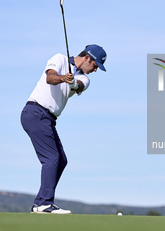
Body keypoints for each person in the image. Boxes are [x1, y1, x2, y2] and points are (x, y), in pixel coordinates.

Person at [21, 44, 107, 214]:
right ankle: (45, 203)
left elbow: (80, 86)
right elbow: (50, 78)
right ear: (87, 58)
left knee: (61, 160)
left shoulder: (85, 78)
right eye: (95, 66)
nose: (95, 70)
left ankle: (40, 202)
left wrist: (72, 82)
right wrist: (63, 77)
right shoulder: (59, 59)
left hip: (48, 119)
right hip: (35, 111)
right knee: (51, 158)